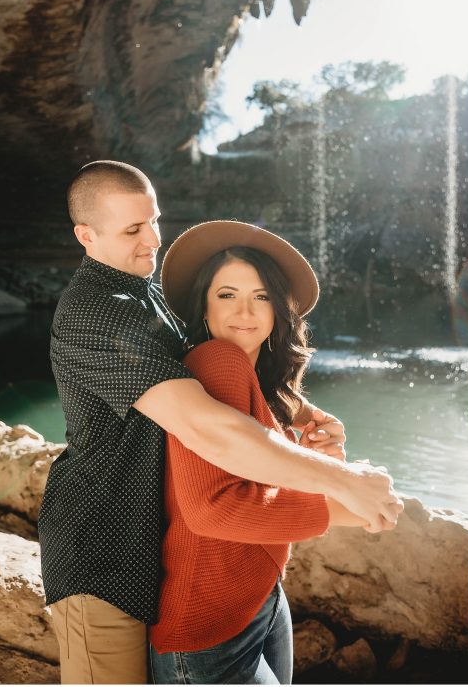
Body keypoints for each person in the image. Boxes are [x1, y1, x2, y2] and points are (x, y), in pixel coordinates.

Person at [37, 161, 403, 684]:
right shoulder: (96, 312)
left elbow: (213, 364)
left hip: (160, 548)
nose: (152, 241)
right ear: (85, 235)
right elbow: (208, 424)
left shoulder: (141, 293)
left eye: (155, 221)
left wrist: (297, 410)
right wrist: (345, 486)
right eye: (132, 230)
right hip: (105, 553)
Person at [149, 221, 369, 683]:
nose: (245, 311)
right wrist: (345, 508)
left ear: (278, 309)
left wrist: (316, 431)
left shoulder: (255, 379)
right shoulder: (217, 361)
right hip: (209, 630)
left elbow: (264, 471)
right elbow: (215, 510)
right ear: (203, 307)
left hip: (258, 600)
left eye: (262, 296)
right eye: (226, 295)